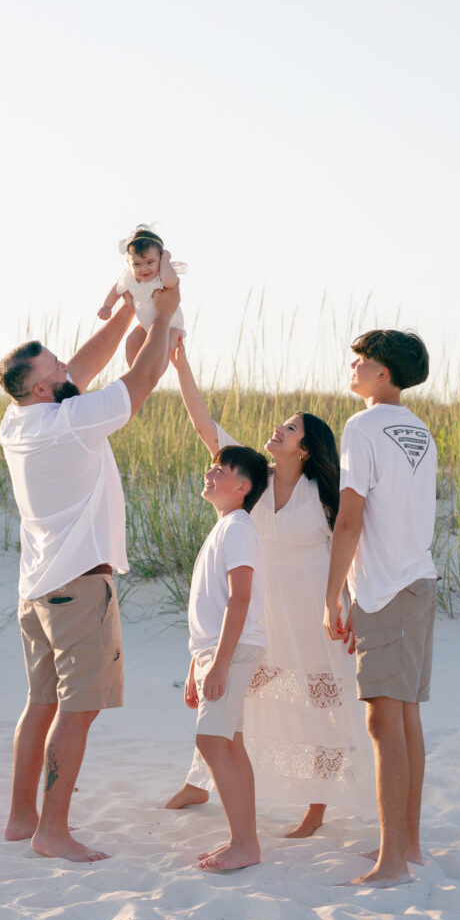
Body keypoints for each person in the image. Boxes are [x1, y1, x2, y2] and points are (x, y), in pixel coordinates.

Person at [0, 285, 179, 863]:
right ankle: (52, 830)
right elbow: (142, 380)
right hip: (78, 588)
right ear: (46, 389)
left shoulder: (18, 418)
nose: (66, 365)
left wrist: (128, 307)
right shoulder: (70, 421)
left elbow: (80, 367)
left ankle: (21, 816)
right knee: (78, 711)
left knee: (41, 704)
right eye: (55, 365)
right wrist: (163, 317)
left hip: (37, 592)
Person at [165, 344, 373, 837]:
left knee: (320, 709)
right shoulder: (252, 482)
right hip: (258, 607)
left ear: (305, 448)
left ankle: (316, 808)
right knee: (240, 699)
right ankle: (203, 783)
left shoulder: (324, 493)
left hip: (313, 613)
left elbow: (352, 548)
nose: (279, 428)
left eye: (291, 427)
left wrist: (350, 606)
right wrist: (182, 367)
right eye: (282, 423)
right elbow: (205, 428)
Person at [324, 328, 437, 887]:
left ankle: (392, 861)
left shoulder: (363, 425)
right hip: (419, 580)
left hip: (388, 588)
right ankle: (408, 844)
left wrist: (332, 593)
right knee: (406, 714)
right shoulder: (420, 430)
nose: (353, 366)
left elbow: (350, 518)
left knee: (382, 721)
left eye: (361, 360)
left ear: (383, 374)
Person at [186, 444, 269, 871]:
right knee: (231, 744)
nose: (210, 472)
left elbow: (240, 599)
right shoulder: (224, 527)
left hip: (232, 652)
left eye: (221, 469)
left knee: (211, 741)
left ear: (243, 487)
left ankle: (244, 844)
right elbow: (213, 605)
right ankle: (246, 839)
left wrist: (218, 663)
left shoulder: (238, 527)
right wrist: (195, 667)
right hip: (217, 652)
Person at [99, 225, 186, 367]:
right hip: (148, 326)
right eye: (137, 264)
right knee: (132, 341)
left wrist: (165, 261)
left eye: (150, 262)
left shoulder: (161, 275)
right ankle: (134, 373)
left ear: (160, 257)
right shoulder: (129, 279)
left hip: (170, 326)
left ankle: (152, 374)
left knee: (161, 351)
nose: (144, 268)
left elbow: (171, 283)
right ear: (128, 263)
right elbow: (116, 290)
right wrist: (107, 306)